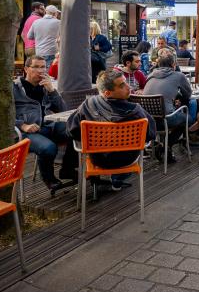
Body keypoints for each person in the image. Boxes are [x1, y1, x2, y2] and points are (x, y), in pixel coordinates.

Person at [67, 69, 156, 191]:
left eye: (125, 82)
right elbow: (150, 134)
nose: (128, 86)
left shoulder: (88, 105)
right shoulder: (135, 111)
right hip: (127, 159)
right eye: (122, 85)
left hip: (98, 159)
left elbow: (72, 130)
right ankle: (118, 180)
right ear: (108, 93)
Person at [14, 55, 77, 193]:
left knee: (75, 130)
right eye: (36, 67)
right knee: (49, 148)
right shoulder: (15, 88)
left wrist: (52, 90)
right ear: (26, 69)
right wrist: (23, 125)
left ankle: (67, 169)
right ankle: (50, 179)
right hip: (24, 132)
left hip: (46, 126)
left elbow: (63, 110)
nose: (41, 70)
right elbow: (4, 115)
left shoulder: (45, 86)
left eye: (43, 67)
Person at [143, 48, 196, 163]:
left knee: (176, 114)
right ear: (173, 64)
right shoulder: (178, 75)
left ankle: (164, 146)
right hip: (165, 120)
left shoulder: (150, 75)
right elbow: (188, 95)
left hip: (148, 121)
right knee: (188, 119)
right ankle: (166, 145)